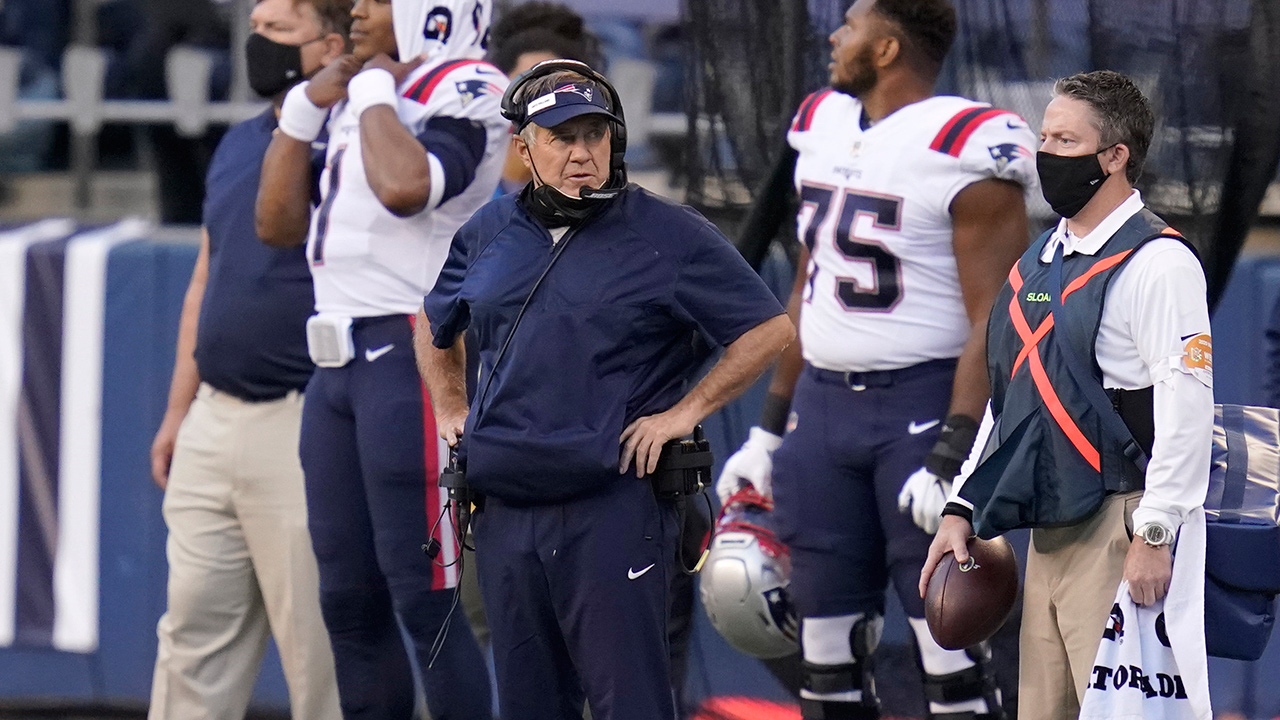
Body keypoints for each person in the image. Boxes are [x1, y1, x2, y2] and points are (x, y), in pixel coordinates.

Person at [415, 60, 794, 720]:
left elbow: (769, 328)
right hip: (506, 510)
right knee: (529, 705)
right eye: (563, 138)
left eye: (595, 135)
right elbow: (433, 320)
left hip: (612, 509)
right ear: (524, 147)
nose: (582, 153)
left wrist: (685, 412)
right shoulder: (487, 231)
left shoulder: (667, 233)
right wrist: (450, 405)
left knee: (633, 704)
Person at [714, 0, 1036, 718]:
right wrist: (769, 426)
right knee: (826, 655)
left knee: (950, 649)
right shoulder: (822, 123)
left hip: (920, 408)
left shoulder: (966, 141)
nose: (836, 36)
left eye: (852, 25)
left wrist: (957, 445)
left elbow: (997, 314)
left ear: (886, 48)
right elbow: (807, 285)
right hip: (822, 409)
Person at [922, 70, 1214, 720]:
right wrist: (962, 505)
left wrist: (1157, 532)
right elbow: (1013, 399)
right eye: (1044, 136)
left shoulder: (1160, 263)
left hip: (1121, 524)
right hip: (1050, 529)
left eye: (1066, 139)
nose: (1047, 152)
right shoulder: (1041, 258)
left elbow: (1187, 408)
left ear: (1115, 156)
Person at [255, 0, 509, 717]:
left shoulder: (466, 83)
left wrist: (370, 89)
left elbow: (408, 189)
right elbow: (276, 224)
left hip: (410, 359)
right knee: (345, 599)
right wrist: (304, 110)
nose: (357, 9)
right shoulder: (370, 92)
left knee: (422, 598)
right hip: (333, 365)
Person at [146, 1, 349, 718]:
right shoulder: (237, 143)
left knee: (318, 654)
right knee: (191, 641)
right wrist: (179, 412)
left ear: (331, 46)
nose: (258, 42)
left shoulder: (356, 146)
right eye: (256, 27)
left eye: (280, 32)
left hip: (305, 420)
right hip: (214, 417)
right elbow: (208, 277)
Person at [486, 1, 602, 195]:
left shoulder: (600, 190)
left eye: (547, 84)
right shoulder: (471, 179)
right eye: (524, 83)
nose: (535, 97)